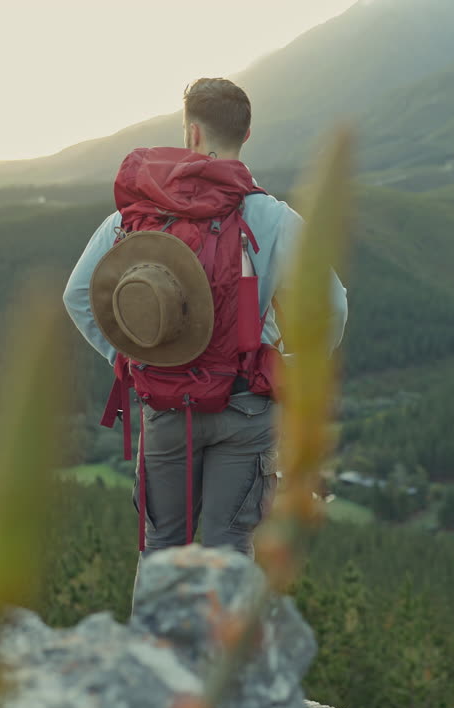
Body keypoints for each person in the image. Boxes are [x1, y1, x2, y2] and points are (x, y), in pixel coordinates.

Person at [62, 77, 348, 569]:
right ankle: (220, 623)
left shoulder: (136, 216)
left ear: (191, 133)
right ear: (247, 134)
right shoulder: (274, 217)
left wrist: (129, 356)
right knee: (229, 552)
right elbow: (333, 307)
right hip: (246, 407)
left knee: (161, 550)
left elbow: (77, 295)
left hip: (167, 404)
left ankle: (157, 622)